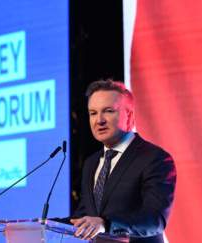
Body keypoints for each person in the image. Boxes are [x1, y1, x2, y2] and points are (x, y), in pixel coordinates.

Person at [70, 80, 176, 243]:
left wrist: (106, 224)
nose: (99, 120)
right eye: (93, 113)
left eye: (108, 111)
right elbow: (84, 216)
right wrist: (39, 225)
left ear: (130, 115)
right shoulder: (91, 163)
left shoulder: (154, 158)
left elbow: (155, 220)